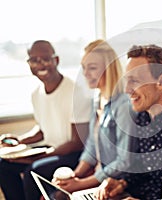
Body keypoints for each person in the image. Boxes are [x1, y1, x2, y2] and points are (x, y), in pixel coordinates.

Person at [0, 40, 91, 200]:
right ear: (29, 64)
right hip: (51, 149)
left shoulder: (75, 92)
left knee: (33, 170)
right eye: (34, 60)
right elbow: (42, 130)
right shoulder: (36, 94)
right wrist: (20, 141)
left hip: (73, 154)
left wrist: (41, 156)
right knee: (2, 165)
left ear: (56, 60)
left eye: (46, 59)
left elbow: (78, 142)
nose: (40, 65)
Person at [52, 39, 137, 194]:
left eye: (92, 68)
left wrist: (81, 184)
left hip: (115, 183)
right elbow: (91, 144)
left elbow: (124, 162)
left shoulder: (124, 105)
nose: (85, 73)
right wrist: (74, 176)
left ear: (109, 69)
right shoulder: (97, 98)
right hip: (98, 174)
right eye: (83, 67)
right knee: (55, 194)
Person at [94, 44, 162, 200]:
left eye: (134, 81)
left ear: (161, 81)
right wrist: (121, 183)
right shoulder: (142, 118)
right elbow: (142, 170)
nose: (127, 90)